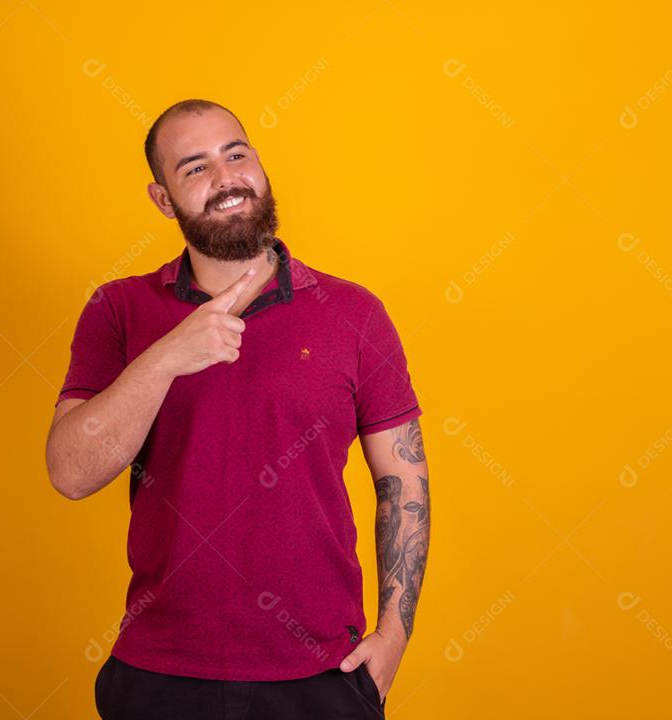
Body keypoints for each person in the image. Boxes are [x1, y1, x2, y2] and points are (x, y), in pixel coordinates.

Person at [45, 99, 431, 719]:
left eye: (236, 153)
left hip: (321, 674)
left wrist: (393, 638)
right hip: (159, 675)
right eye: (194, 168)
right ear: (164, 200)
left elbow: (403, 481)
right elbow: (70, 472)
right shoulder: (118, 310)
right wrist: (168, 354)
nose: (225, 177)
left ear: (259, 165)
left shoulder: (354, 312)